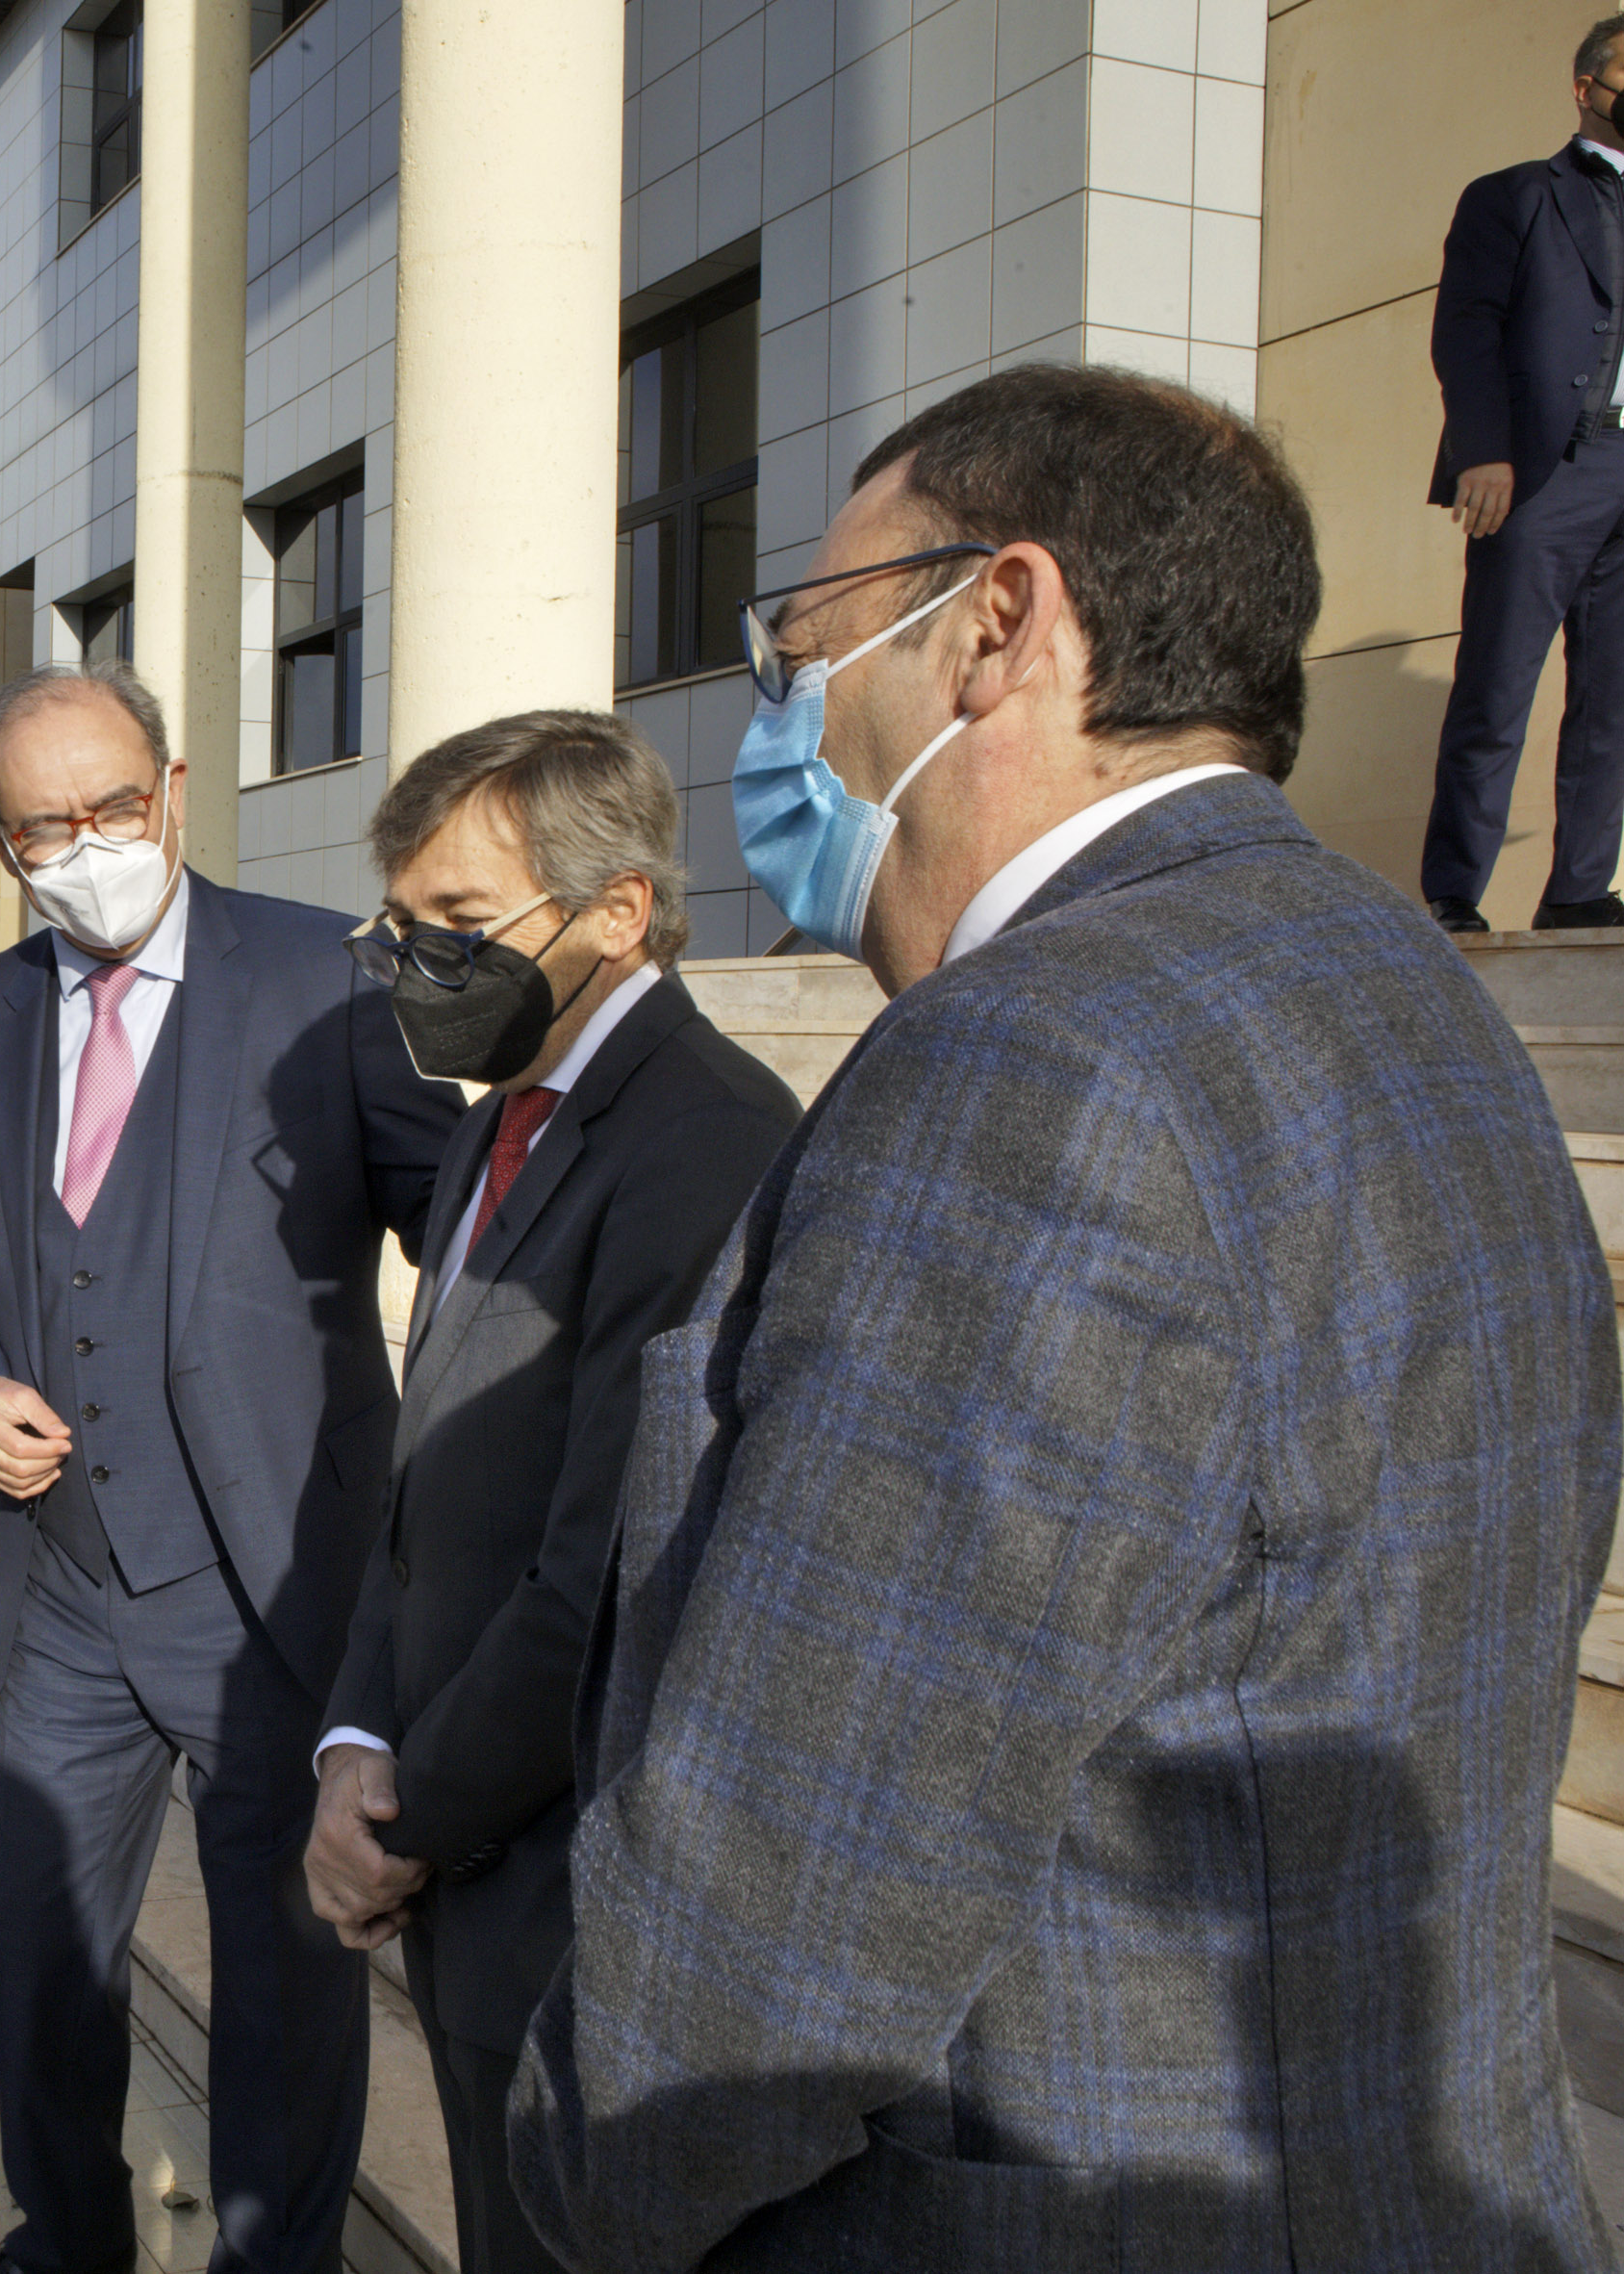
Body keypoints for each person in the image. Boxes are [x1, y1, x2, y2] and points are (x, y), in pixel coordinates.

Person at [511, 365, 1622, 2268]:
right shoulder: (1408, 988)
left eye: (809, 644)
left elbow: (776, 1917)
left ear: (998, 624)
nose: (789, 720)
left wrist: (569, 2173)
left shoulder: (1035, 1061)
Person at [0, 662, 460, 2274]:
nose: (86, 843)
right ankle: (63, 2235)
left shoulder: (326, 976)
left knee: (285, 1981)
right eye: (42, 824)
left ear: (172, 786)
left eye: (111, 805)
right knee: (52, 1949)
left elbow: (463, 1232)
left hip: (269, 1587)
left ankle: (274, 2255)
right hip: (64, 1583)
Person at [297, 714, 797, 2273]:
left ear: (617, 909)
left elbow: (603, 1564)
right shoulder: (488, 1119)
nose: (414, 962)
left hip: (572, 1886)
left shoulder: (700, 1140)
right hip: (452, 1843)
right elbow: (426, 1479)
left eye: (457, 922)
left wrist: (406, 1819)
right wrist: (353, 1742)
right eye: (401, 923)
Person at [1423, 13, 1624, 934]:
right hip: (1548, 468)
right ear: (1585, 86)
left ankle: (1579, 889)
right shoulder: (1514, 195)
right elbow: (1465, 331)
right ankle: (1453, 891)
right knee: (1497, 685)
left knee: (1612, 700)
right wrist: (1484, 449)